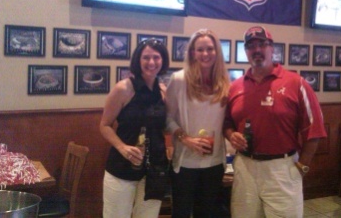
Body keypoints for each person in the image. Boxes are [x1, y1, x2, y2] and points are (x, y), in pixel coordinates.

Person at [223, 26, 327, 218]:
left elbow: (315, 130)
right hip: (244, 167)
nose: (257, 50)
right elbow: (226, 123)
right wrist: (231, 135)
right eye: (251, 46)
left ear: (272, 48)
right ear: (246, 51)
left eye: (262, 44)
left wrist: (302, 166)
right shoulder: (235, 87)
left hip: (282, 168)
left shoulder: (296, 83)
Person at [100, 38, 170, 218]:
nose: (152, 62)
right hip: (122, 168)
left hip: (155, 170)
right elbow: (105, 125)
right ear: (138, 60)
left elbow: (167, 127)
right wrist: (122, 147)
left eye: (157, 57)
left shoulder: (163, 91)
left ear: (163, 61)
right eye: (146, 57)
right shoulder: (123, 88)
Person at [165, 29, 231, 218]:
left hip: (215, 162)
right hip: (185, 163)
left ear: (217, 51)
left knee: (208, 213)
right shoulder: (179, 79)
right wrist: (185, 139)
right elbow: (167, 119)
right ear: (192, 53)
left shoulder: (225, 82)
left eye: (210, 49)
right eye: (199, 49)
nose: (205, 54)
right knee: (182, 213)